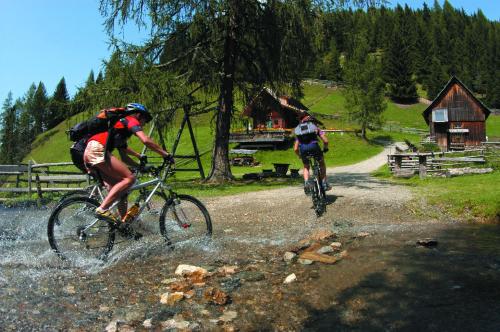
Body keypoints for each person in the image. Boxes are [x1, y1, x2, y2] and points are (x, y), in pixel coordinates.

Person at [83, 103, 173, 224]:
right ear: (139, 115)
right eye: (145, 120)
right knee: (129, 178)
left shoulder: (120, 130)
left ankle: (123, 224)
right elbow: (145, 140)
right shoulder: (130, 119)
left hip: (91, 150)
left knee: (121, 190)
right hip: (97, 149)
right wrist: (165, 154)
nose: (144, 124)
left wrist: (141, 167)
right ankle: (102, 209)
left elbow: (124, 158)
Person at [293, 114, 331, 194]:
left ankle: (306, 182)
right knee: (321, 164)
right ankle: (324, 182)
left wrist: (299, 155)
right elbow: (326, 141)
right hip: (314, 147)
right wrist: (325, 148)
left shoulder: (299, 131)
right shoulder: (315, 128)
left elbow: (295, 148)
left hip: (303, 149)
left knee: (306, 166)